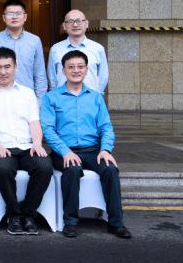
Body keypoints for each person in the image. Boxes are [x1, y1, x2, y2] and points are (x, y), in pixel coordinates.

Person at [41, 50, 131, 239]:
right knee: (72, 169)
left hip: (93, 150)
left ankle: (116, 223)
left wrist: (105, 149)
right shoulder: (51, 97)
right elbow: (48, 130)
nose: (76, 70)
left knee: (110, 169)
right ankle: (71, 222)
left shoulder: (96, 97)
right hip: (63, 152)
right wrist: (65, 152)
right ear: (63, 71)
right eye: (71, 67)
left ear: (86, 70)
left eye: (80, 67)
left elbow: (106, 127)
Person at [0, 47, 52, 236]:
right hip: (0, 146)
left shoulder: (27, 93)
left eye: (7, 66)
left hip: (27, 146)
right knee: (3, 168)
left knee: (44, 166)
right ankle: (14, 214)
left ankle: (28, 213)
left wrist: (37, 143)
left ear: (15, 67)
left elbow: (34, 122)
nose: (3, 72)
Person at [0, 0, 48, 100]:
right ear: (4, 18)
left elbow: (40, 74)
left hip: (27, 98)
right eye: (10, 14)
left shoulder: (34, 41)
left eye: (18, 13)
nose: (14, 17)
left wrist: (39, 102)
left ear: (25, 17)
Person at [47, 9, 109, 92]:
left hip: (90, 98)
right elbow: (52, 78)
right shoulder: (55, 49)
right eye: (70, 21)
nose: (75, 25)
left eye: (79, 21)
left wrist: (96, 95)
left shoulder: (98, 48)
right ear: (64, 25)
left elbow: (103, 77)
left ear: (86, 24)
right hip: (62, 98)